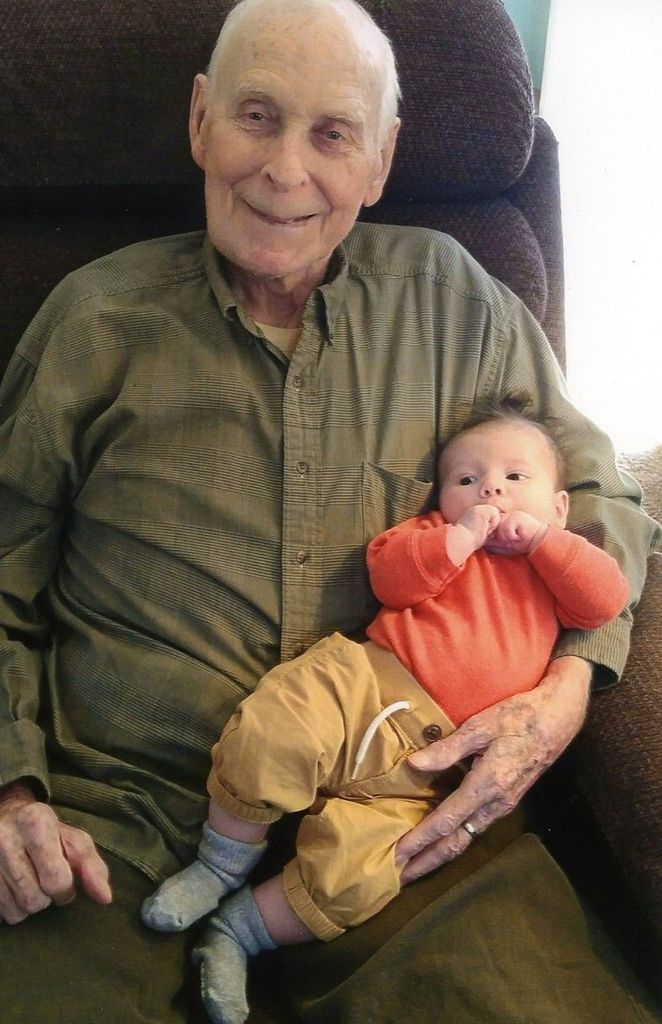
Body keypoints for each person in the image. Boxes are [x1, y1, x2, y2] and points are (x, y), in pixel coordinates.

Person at [0, 0, 659, 1022]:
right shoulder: (97, 319)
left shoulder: (453, 300)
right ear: (201, 121)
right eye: (257, 117)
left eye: (333, 134)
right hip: (117, 821)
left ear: (382, 161)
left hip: (407, 815)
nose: (285, 171)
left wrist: (568, 686)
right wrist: (10, 790)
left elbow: (605, 494)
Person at [140, 402, 630, 1024]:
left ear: (559, 506)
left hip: (429, 771)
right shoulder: (432, 535)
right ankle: (217, 866)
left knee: (369, 871)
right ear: (442, 496)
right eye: (467, 479)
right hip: (363, 687)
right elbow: (392, 580)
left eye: (515, 476)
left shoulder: (558, 562)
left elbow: (603, 602)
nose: (491, 489)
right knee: (274, 732)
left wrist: (544, 542)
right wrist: (459, 538)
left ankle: (237, 932)